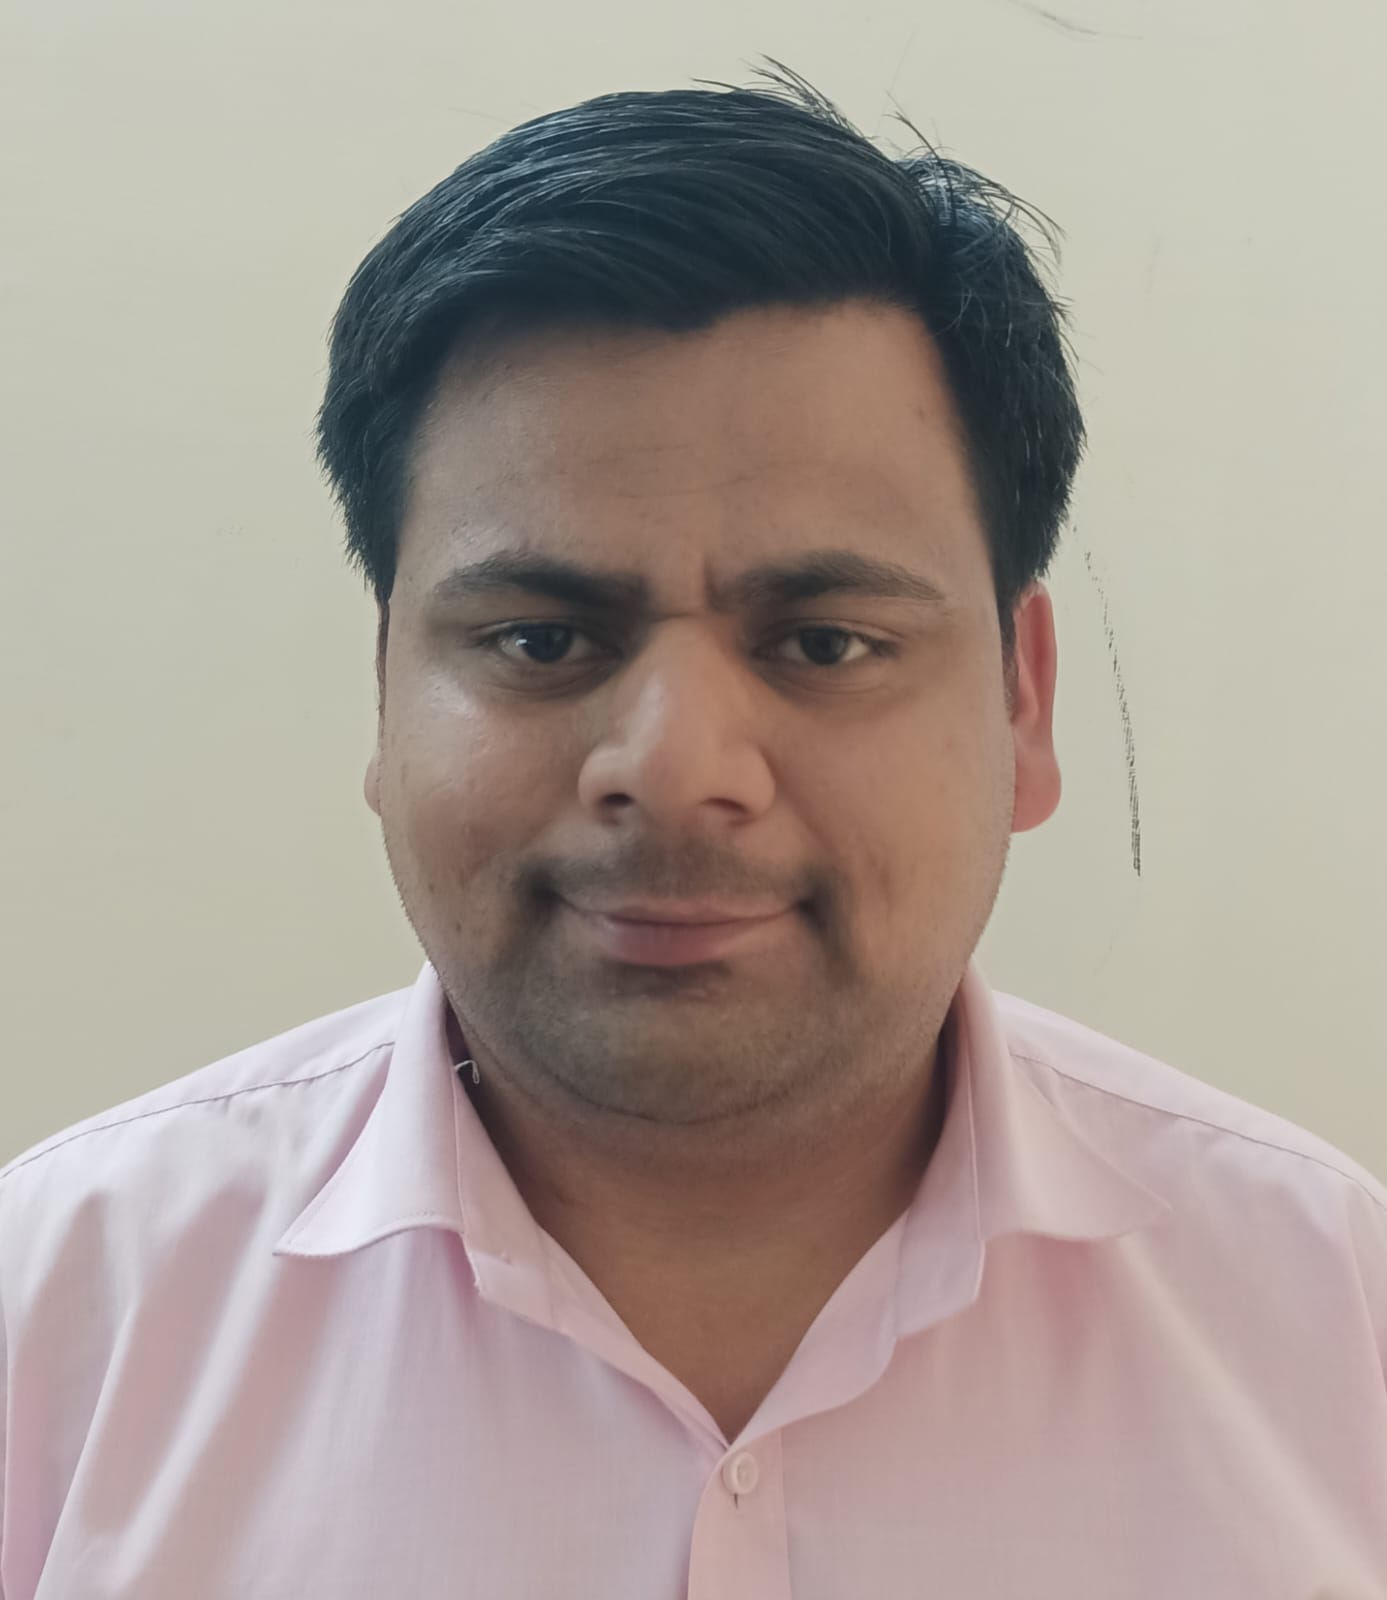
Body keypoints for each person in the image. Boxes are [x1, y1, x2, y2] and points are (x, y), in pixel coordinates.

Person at [2, 64, 1384, 1600]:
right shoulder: (58, 1318)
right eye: (541, 640)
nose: (672, 771)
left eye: (823, 641)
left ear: (1023, 701)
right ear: (385, 691)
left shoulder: (1337, 1322)